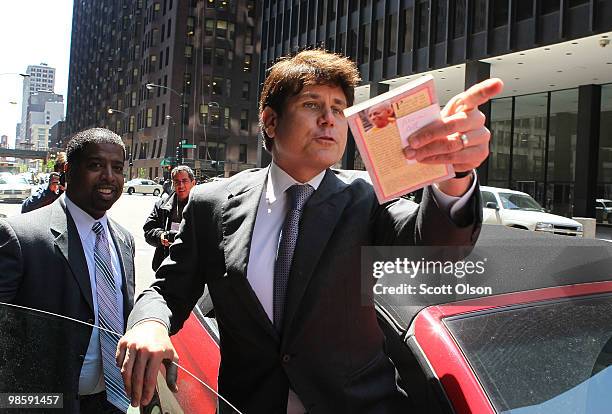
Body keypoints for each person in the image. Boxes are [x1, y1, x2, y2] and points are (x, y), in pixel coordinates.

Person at [117, 50, 503, 413]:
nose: (330, 119)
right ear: (270, 121)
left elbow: (435, 248)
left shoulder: (367, 197)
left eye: (338, 108)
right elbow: (167, 290)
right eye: (312, 105)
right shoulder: (211, 203)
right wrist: (149, 324)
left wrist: (455, 175)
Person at [0, 128, 135, 413]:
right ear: (68, 172)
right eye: (95, 165)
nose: (109, 176)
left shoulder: (125, 240)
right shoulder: (21, 237)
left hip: (112, 403)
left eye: (118, 167)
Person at [143, 165, 197, 270]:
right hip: (165, 265)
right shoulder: (162, 205)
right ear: (173, 184)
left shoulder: (201, 206)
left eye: (184, 181)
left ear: (193, 183)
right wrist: (161, 236)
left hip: (192, 269)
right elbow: (148, 230)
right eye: (177, 182)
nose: (180, 185)